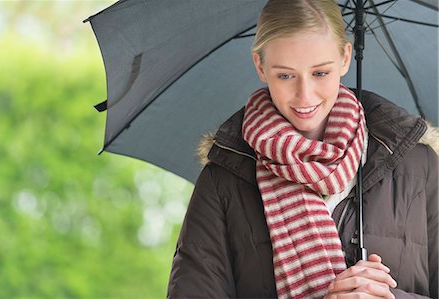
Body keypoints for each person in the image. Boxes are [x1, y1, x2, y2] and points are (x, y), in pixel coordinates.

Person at [167, 0, 438, 298]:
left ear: (346, 57)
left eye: (320, 73)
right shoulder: (224, 179)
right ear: (260, 65)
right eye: (285, 75)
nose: (304, 95)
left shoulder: (418, 166)